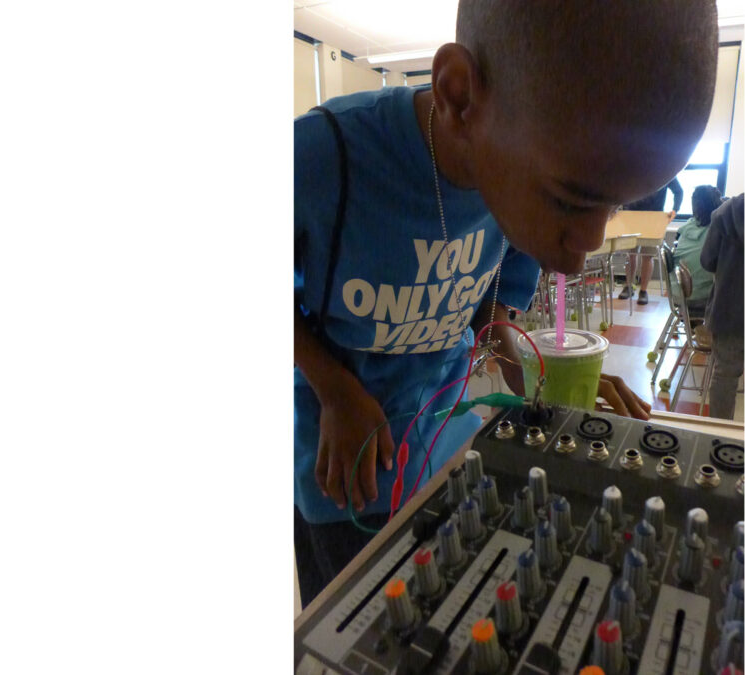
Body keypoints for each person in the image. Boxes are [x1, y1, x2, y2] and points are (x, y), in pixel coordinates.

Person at [295, 0, 721, 606]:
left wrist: (545, 380)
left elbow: (491, 317)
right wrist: (334, 388)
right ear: (460, 96)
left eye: (618, 204)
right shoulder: (321, 156)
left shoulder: (523, 175)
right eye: (572, 201)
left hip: (448, 453)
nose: (580, 256)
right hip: (343, 473)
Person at [699, 193, 745, 420]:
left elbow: (707, 261)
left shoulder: (725, 213)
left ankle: (719, 436)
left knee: (725, 374)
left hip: (730, 308)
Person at [618, 178, 684, 305]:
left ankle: (643, 291)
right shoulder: (633, 169)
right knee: (631, 254)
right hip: (632, 215)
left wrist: (675, 209)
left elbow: (678, 191)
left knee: (647, 255)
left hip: (653, 217)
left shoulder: (665, 170)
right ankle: (628, 286)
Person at [673, 185, 725, 314]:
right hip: (701, 298)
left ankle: (695, 326)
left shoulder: (687, 227)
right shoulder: (718, 231)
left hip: (678, 291)